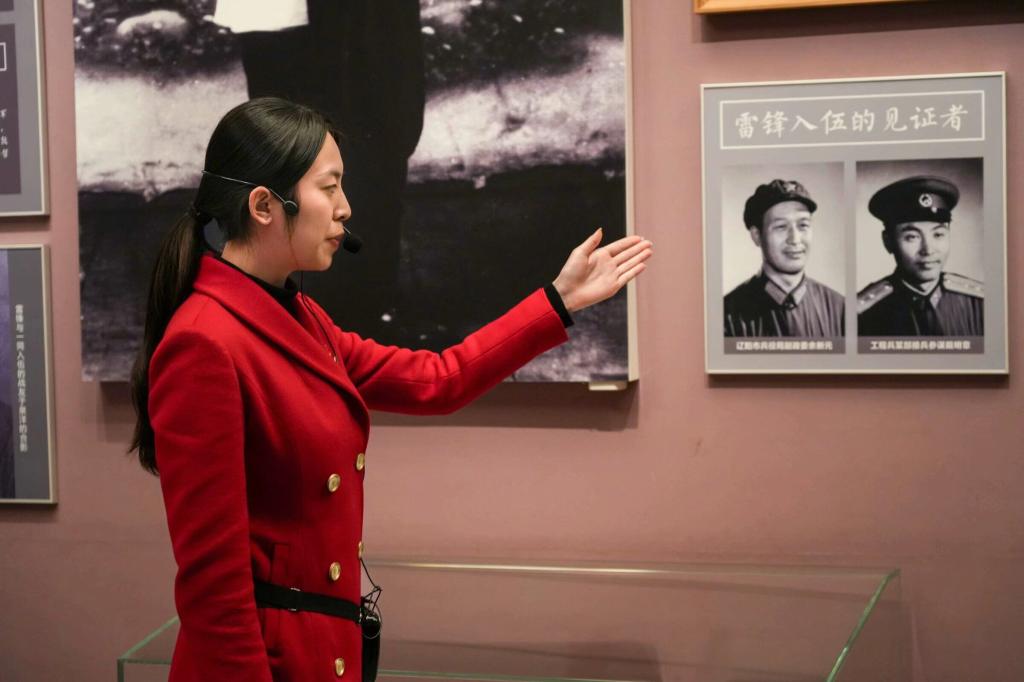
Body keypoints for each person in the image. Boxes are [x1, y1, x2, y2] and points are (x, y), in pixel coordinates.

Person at [128, 98, 652, 682]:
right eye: (330, 187)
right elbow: (213, 589)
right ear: (264, 206)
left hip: (322, 651)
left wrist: (559, 300)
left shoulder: (299, 317)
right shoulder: (204, 342)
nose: (345, 208)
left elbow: (436, 380)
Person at [214, 0, 425, 342]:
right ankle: (313, 318)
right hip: (283, 20)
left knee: (375, 143)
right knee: (289, 152)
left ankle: (361, 315)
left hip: (360, 22)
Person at [857, 175, 983, 337]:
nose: (928, 250)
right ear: (888, 242)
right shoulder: (862, 314)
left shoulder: (980, 304)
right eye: (912, 237)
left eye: (938, 235)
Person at [724, 179, 845, 338]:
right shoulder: (726, 316)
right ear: (757, 236)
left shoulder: (840, 309)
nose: (795, 239)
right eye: (781, 227)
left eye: (803, 225)